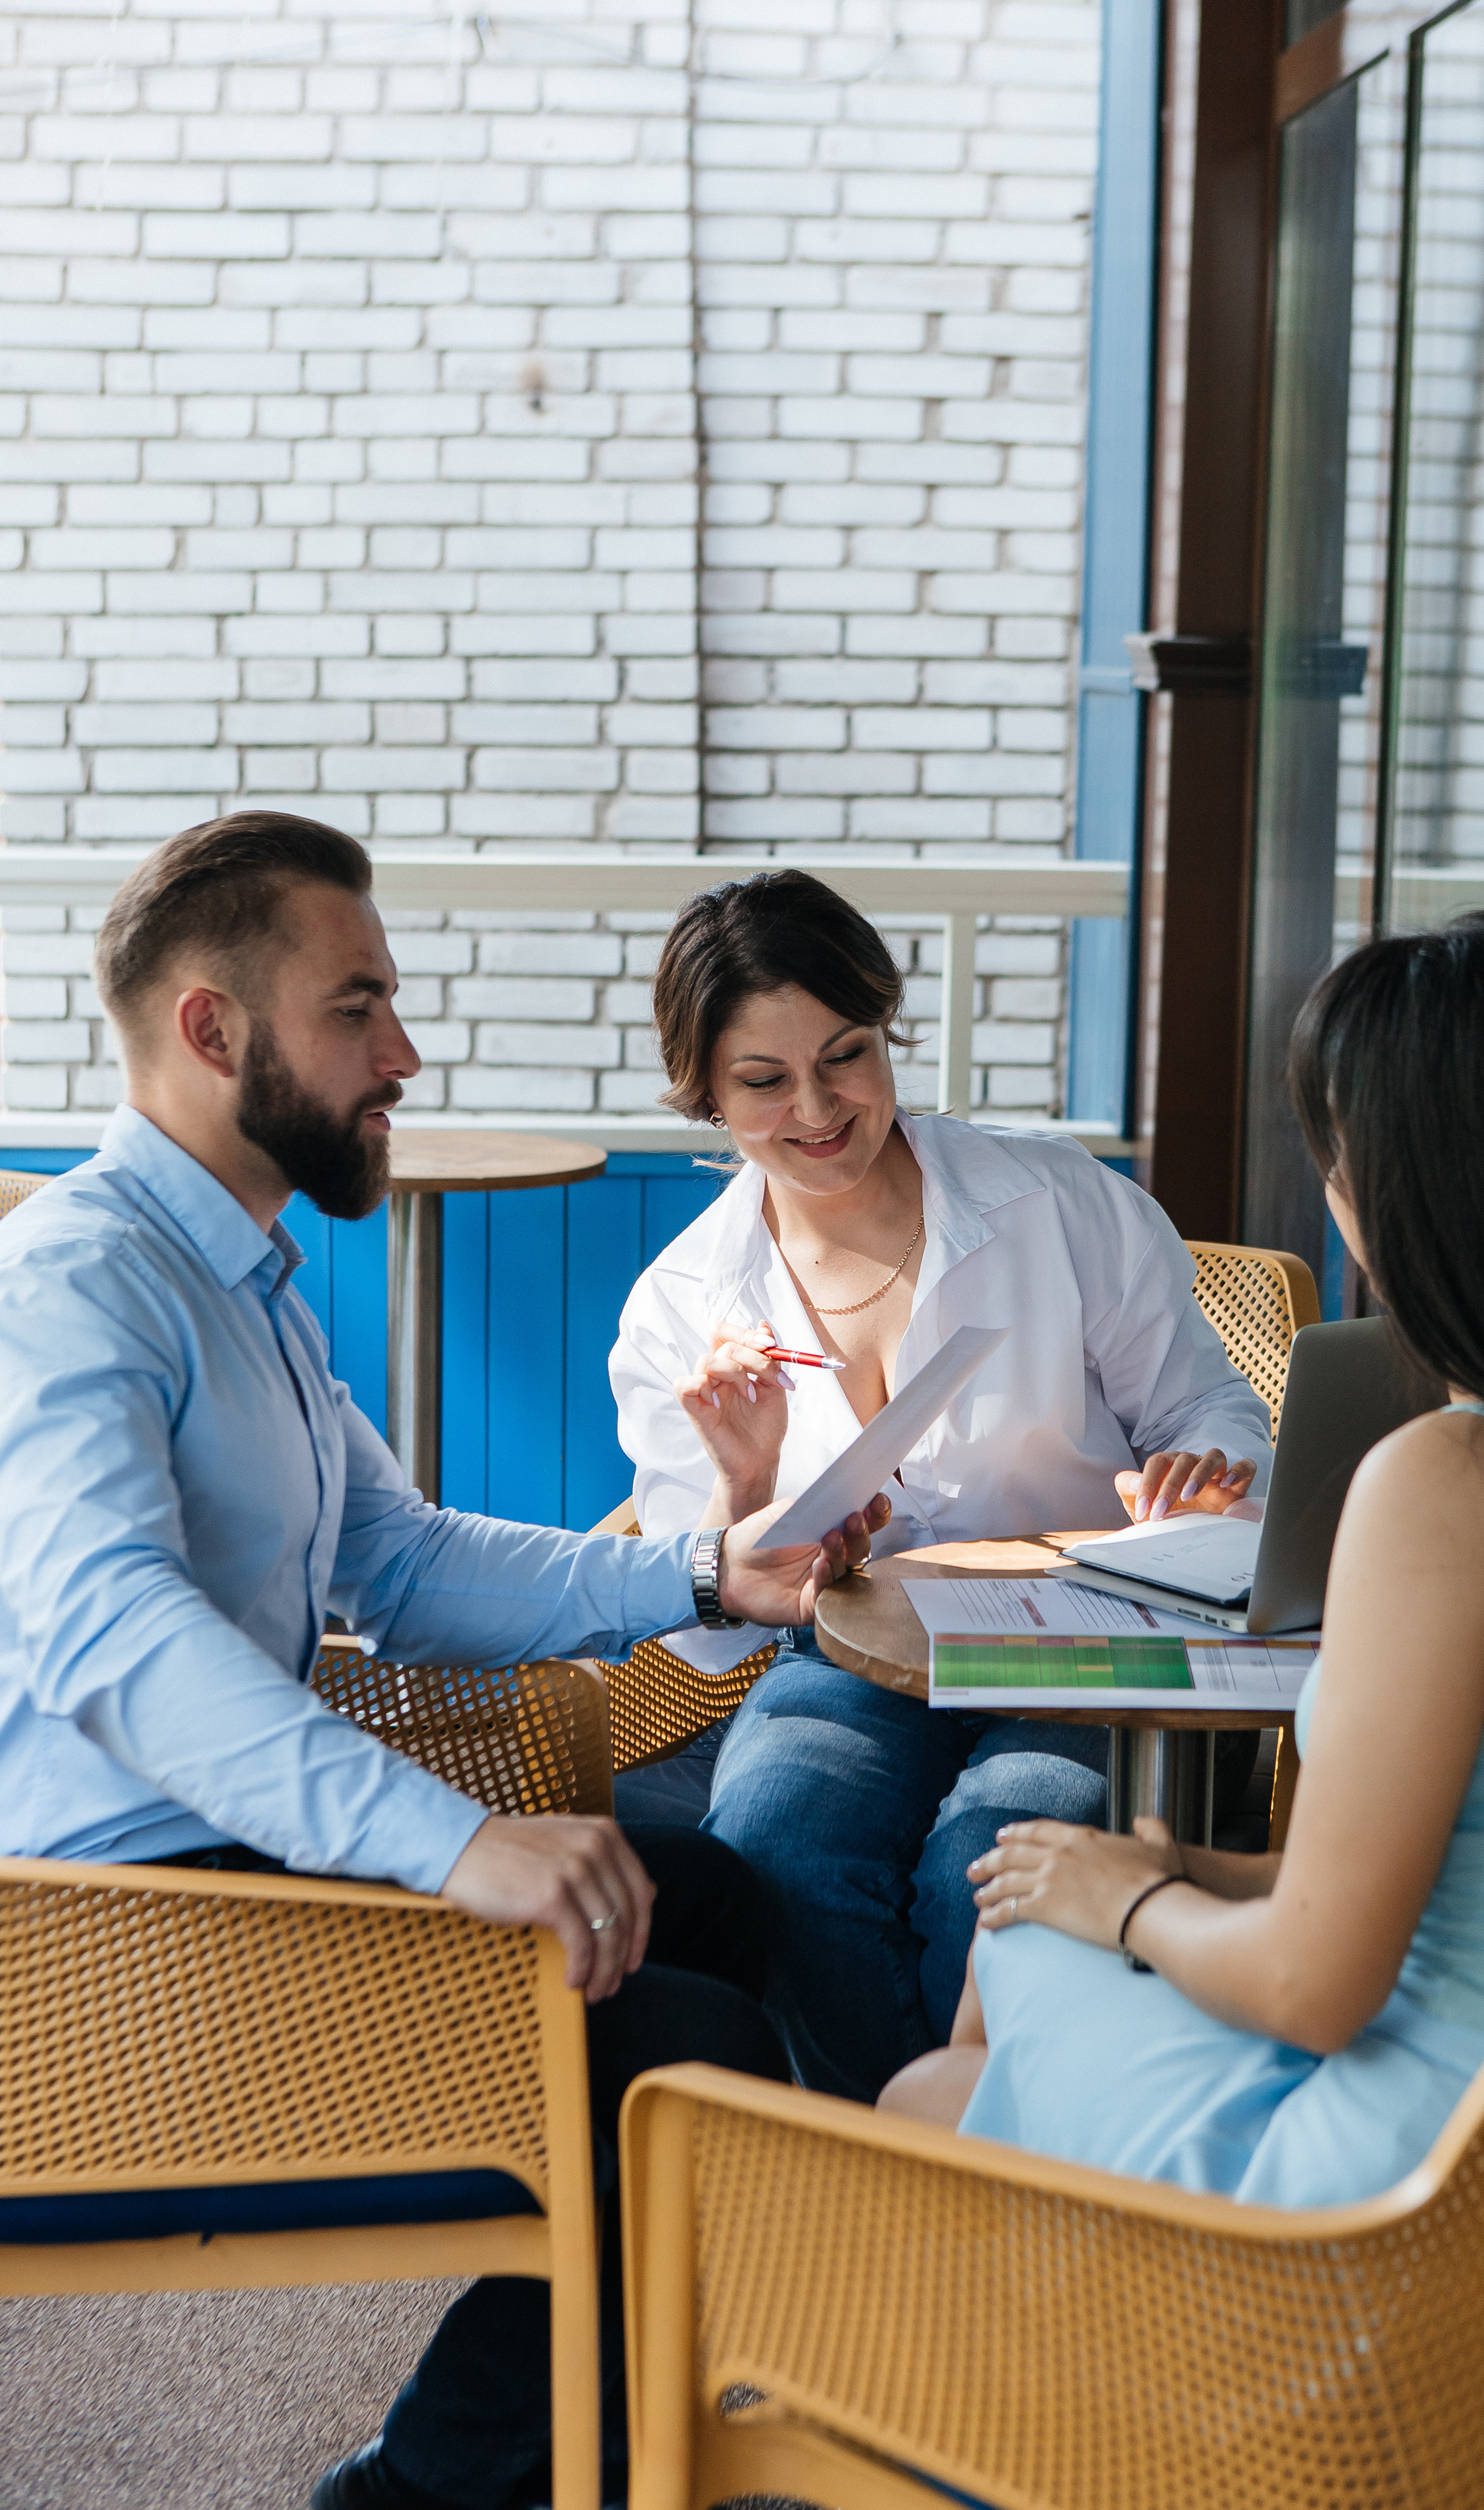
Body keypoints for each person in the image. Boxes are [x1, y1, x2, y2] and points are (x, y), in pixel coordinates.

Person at [0, 813, 886, 2510]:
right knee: (683, 2056)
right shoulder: (76, 1287)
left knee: (709, 1894)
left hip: (214, 1877)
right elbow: (114, 1641)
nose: (404, 1053)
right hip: (98, 1954)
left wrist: (714, 1569)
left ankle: (596, 2423)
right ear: (212, 1031)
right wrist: (455, 1841)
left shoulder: (240, 1282)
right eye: (359, 1010)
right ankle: (427, 2491)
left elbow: (402, 1568)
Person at [880, 911, 1484, 2208]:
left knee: (946, 2061)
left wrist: (1129, 1904)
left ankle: (1072, 2385)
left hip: (1415, 2196)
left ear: (1417, 1190)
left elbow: (1312, 1985)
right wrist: (1178, 1869)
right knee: (1024, 1928)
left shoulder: (1453, 1483)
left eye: (1335, 1156)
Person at [608, 869, 1273, 2101]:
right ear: (704, 1091)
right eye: (763, 1081)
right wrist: (741, 1483)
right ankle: (889, 2168)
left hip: (1076, 1653)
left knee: (991, 1854)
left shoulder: (1059, 1204)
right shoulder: (682, 1305)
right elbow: (698, 1647)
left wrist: (1205, 1470)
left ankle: (995, 2169)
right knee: (774, 1846)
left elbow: (1213, 1409)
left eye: (847, 1056)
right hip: (844, 1666)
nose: (818, 1108)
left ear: (887, 1030)